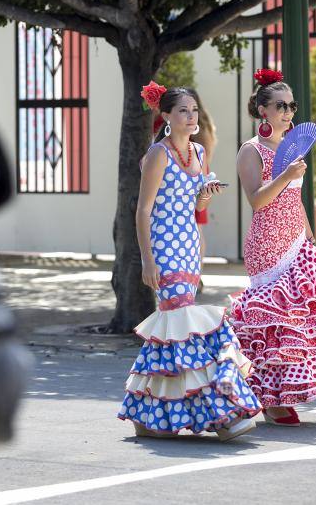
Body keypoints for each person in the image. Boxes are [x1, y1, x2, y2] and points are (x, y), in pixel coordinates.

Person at [117, 82, 261, 441]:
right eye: (183, 110)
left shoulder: (197, 152)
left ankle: (153, 414)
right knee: (183, 323)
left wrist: (205, 197)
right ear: (166, 116)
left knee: (177, 328)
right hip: (164, 246)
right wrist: (148, 260)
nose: (191, 116)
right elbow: (143, 211)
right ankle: (219, 412)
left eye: (194, 110)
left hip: (190, 245)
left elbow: (196, 207)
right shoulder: (158, 155)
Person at [228, 69, 316, 426]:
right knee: (276, 323)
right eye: (281, 106)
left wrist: (309, 231)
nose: (288, 112)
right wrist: (285, 175)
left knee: (304, 319)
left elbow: (294, 198)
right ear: (262, 110)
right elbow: (257, 201)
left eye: (292, 106)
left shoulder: (293, 149)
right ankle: (268, 398)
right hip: (267, 244)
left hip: (296, 239)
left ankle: (285, 392)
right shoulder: (250, 150)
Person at [192, 93, 217, 293]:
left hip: (192, 180)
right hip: (202, 178)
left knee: (196, 230)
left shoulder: (195, 128)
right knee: (198, 229)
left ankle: (195, 275)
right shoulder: (205, 125)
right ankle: (197, 275)